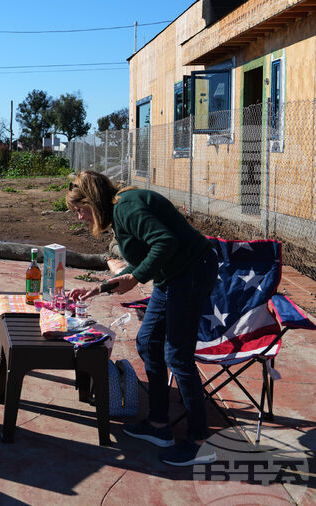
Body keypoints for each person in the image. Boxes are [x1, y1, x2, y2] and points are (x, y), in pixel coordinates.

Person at [66, 170, 218, 466]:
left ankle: (200, 442)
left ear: (92, 200)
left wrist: (136, 277)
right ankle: (159, 425)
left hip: (191, 272)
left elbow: (165, 242)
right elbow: (141, 261)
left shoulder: (127, 206)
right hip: (171, 277)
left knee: (178, 356)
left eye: (80, 209)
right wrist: (99, 288)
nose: (80, 217)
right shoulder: (120, 210)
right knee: (148, 342)